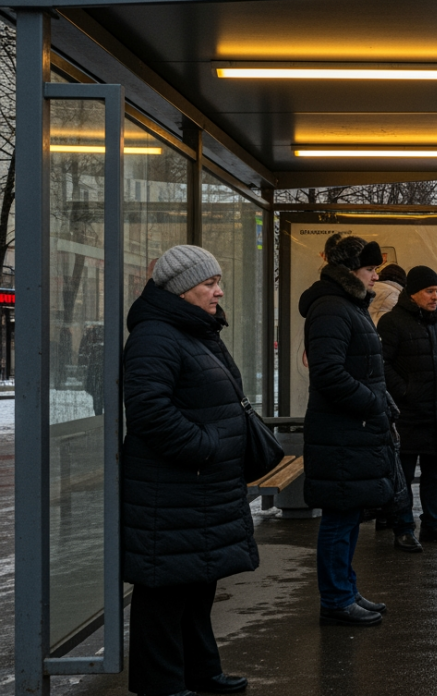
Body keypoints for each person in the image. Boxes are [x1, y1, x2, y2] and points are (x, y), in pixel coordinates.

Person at [122, 245, 257, 696]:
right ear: (182, 291)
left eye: (217, 281)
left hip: (199, 485)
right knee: (164, 591)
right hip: (172, 486)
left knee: (198, 584)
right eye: (209, 284)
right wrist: (207, 446)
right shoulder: (156, 335)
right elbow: (148, 411)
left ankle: (200, 672)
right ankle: (160, 684)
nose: (219, 292)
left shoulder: (194, 330)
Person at [299, 234, 397, 627]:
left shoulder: (346, 306)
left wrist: (381, 400)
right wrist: (373, 402)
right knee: (339, 519)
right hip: (340, 431)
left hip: (352, 430)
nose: (376, 276)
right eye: (371, 269)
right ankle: (337, 598)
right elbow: (329, 374)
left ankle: (346, 589)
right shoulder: (331, 308)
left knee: (349, 516)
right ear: (350, 270)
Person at [377, 265, 437, 551]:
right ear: (412, 293)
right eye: (429, 291)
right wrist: (405, 391)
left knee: (434, 475)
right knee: (403, 475)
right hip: (408, 414)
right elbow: (383, 364)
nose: (434, 296)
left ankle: (433, 524)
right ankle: (403, 528)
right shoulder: (392, 322)